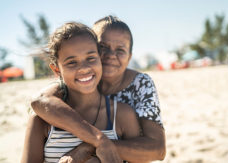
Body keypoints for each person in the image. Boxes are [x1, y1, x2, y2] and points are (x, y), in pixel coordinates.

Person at [31, 16, 166, 163]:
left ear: (129, 57)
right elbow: (39, 101)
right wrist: (99, 140)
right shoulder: (76, 80)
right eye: (103, 47)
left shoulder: (140, 85)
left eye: (120, 50)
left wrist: (91, 147)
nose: (110, 56)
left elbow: (158, 150)